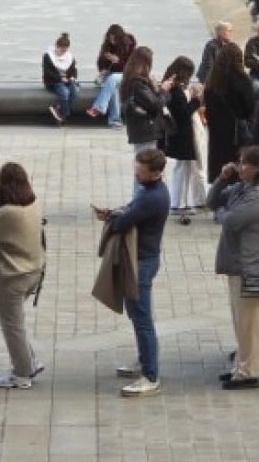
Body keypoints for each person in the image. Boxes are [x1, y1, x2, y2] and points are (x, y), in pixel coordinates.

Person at [98, 149, 170, 397]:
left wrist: (114, 218)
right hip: (144, 259)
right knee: (138, 315)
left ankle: (150, 374)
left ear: (156, 172)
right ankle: (144, 360)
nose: (136, 174)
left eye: (141, 171)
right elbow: (129, 211)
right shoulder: (151, 191)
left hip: (141, 262)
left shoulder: (152, 198)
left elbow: (123, 223)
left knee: (142, 319)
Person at [208, 145, 259, 390]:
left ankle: (249, 372)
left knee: (250, 322)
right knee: (240, 320)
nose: (239, 166)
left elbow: (232, 221)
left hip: (251, 266)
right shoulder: (241, 188)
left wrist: (223, 213)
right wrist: (221, 179)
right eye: (239, 161)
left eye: (245, 163)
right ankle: (240, 367)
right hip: (237, 264)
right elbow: (211, 201)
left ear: (257, 168)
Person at [0, 163, 46, 389]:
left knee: (11, 325)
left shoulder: (7, 213)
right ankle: (30, 360)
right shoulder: (33, 202)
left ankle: (23, 373)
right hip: (34, 271)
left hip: (11, 277)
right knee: (17, 321)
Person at [203, 43, 256, 183]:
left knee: (219, 165)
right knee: (236, 167)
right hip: (236, 133)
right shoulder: (242, 80)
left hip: (216, 132)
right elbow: (251, 107)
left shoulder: (211, 82)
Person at [158, 57, 205, 211]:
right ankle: (179, 203)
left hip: (178, 133)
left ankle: (180, 201)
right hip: (183, 133)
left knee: (182, 168)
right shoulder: (177, 91)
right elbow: (184, 112)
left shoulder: (171, 86)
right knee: (183, 168)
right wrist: (196, 100)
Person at [87, 24, 137, 127]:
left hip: (127, 74)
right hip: (111, 75)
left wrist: (118, 61)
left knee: (112, 78)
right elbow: (100, 65)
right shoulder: (106, 45)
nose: (112, 41)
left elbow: (131, 66)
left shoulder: (129, 45)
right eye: (110, 38)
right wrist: (104, 60)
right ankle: (115, 121)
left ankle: (98, 107)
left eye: (115, 39)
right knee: (112, 86)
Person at [42, 32, 79, 124]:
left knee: (74, 92)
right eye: (61, 50)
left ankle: (59, 111)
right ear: (56, 46)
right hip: (53, 81)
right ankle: (64, 115)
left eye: (65, 50)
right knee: (64, 92)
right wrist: (60, 78)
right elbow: (47, 72)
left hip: (66, 80)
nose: (62, 52)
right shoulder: (47, 56)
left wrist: (71, 78)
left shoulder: (70, 57)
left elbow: (74, 71)